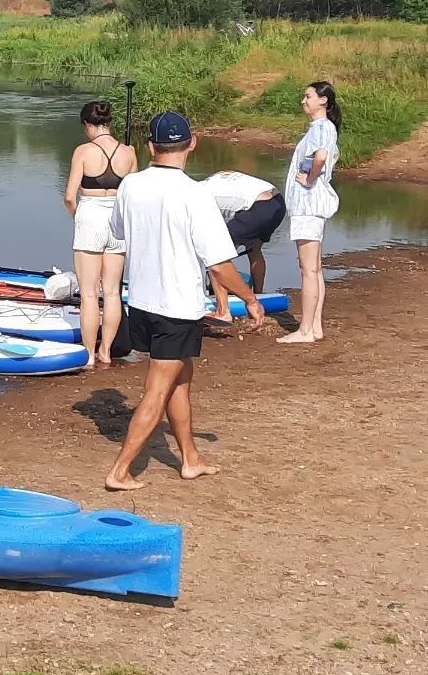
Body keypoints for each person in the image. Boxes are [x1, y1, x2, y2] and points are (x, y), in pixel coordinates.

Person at [105, 112, 264, 492]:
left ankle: (190, 459)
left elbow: (118, 231)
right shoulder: (196, 194)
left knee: (179, 381)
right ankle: (120, 471)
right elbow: (219, 265)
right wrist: (250, 299)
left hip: (141, 302)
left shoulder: (130, 185)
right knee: (158, 390)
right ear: (192, 143)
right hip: (176, 307)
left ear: (150, 146)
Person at [63, 99, 137, 366]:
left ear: (87, 124)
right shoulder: (128, 152)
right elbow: (133, 195)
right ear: (109, 123)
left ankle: (89, 355)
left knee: (89, 293)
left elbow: (69, 196)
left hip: (90, 217)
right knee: (113, 292)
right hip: (118, 221)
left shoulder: (83, 151)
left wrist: (77, 217)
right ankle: (106, 351)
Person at [277, 82, 340, 344]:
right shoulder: (324, 128)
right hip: (311, 206)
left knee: (308, 269)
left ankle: (304, 331)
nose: (304, 101)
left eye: (308, 96)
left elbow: (321, 157)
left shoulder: (321, 128)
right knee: (314, 268)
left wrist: (310, 178)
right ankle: (314, 327)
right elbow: (327, 157)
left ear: (323, 101)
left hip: (308, 205)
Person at [201, 171, 286, 321]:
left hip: (257, 207)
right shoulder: (211, 181)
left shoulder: (198, 198)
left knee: (216, 256)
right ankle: (259, 294)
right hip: (277, 202)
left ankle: (223, 311)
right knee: (254, 250)